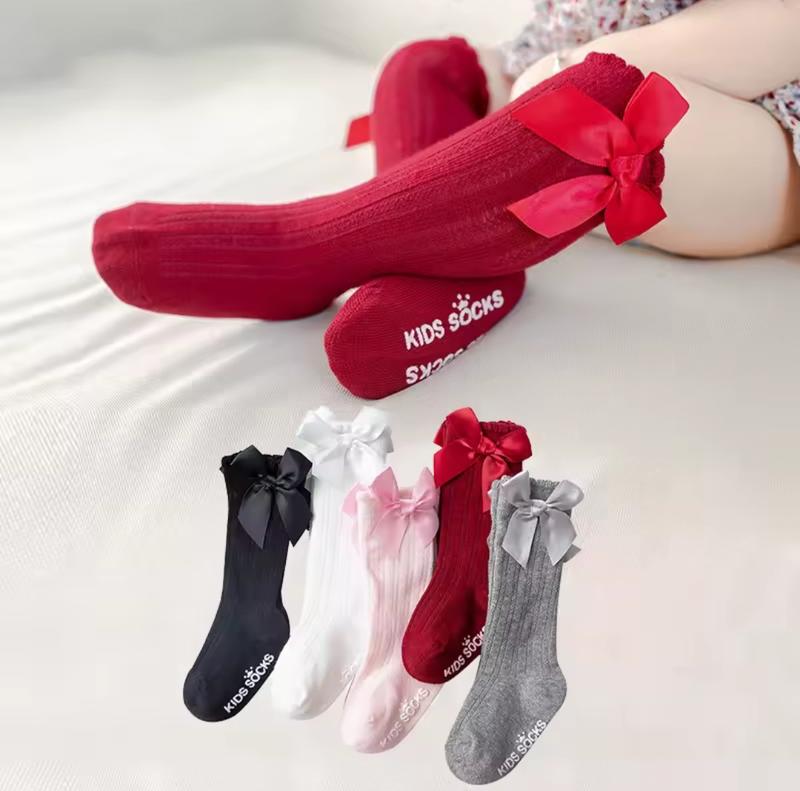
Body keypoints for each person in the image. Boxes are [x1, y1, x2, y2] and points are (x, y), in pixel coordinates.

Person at [91, 0, 800, 398]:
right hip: (577, 57)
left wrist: (552, 82)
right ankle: (465, 278)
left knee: (589, 107)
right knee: (424, 64)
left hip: (760, 123)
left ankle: (310, 246)